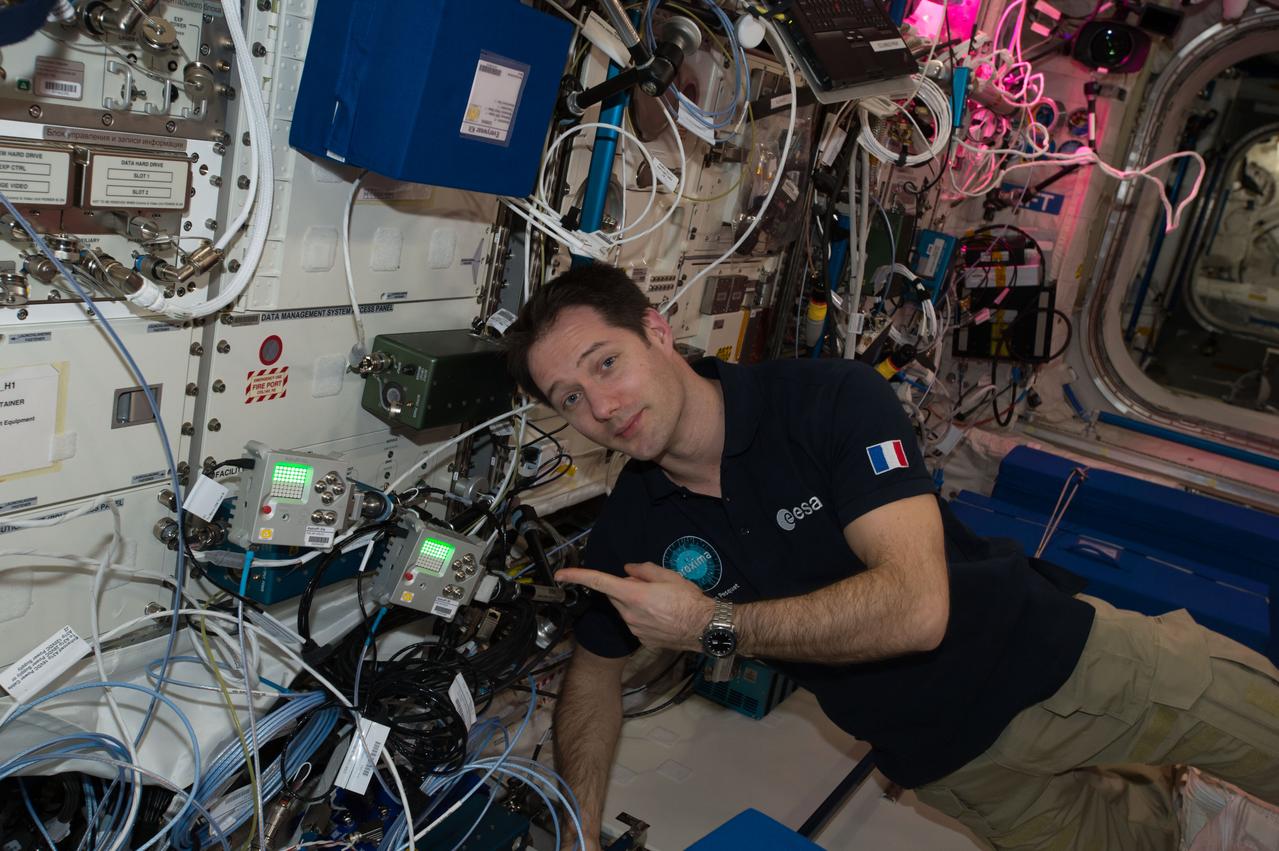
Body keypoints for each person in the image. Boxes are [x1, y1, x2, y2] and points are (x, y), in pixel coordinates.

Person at [501, 262, 1279, 851]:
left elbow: (914, 609)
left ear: (656, 330)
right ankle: (1182, 801)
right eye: (568, 398)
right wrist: (577, 826)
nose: (600, 406)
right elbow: (592, 672)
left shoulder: (825, 399)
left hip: (1067, 667)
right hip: (955, 766)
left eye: (605, 362)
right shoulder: (634, 522)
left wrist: (712, 624)